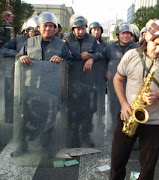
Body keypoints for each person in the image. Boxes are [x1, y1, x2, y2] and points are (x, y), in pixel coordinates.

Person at [110, 19, 159, 180]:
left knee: (148, 169)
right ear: (147, 38)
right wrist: (123, 104)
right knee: (117, 163)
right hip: (128, 115)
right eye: (156, 44)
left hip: (154, 121)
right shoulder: (131, 55)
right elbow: (117, 79)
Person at [13, 12, 73, 157]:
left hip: (51, 89)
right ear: (39, 28)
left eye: (51, 26)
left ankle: (46, 147)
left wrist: (61, 60)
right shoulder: (29, 43)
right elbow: (17, 57)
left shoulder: (61, 45)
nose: (48, 29)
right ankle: (22, 145)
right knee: (25, 117)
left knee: (50, 119)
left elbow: (70, 63)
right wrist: (22, 57)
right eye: (45, 26)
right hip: (31, 87)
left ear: (55, 28)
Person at [63, 14, 104, 148]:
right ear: (73, 29)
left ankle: (85, 134)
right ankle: (73, 134)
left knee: (88, 110)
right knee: (72, 110)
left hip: (88, 81)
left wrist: (92, 59)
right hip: (72, 80)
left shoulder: (92, 39)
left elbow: (100, 53)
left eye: (83, 28)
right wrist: (79, 56)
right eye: (78, 29)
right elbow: (65, 54)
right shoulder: (66, 39)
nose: (81, 31)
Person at [104, 22, 139, 132]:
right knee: (114, 109)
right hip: (115, 85)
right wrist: (106, 72)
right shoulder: (110, 47)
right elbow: (103, 62)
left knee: (131, 108)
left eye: (128, 33)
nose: (126, 36)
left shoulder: (137, 47)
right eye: (123, 33)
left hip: (131, 85)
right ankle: (114, 131)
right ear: (118, 35)